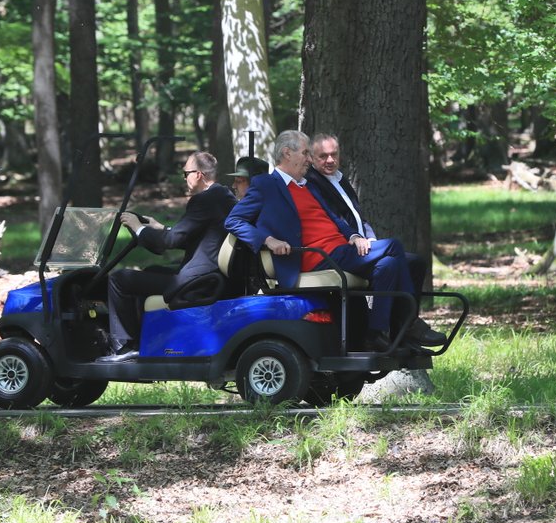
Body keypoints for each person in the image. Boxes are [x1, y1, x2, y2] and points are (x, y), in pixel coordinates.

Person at [224, 130, 433, 352]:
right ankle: (409, 324)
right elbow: (234, 220)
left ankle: (376, 334)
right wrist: (268, 240)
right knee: (393, 246)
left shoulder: (308, 184)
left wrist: (353, 236)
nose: (308, 159)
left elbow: (335, 219)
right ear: (287, 153)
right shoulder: (266, 185)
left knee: (388, 264)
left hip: (341, 251)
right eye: (305, 153)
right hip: (314, 255)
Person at [304, 133, 444, 346]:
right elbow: (333, 219)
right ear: (312, 159)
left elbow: (359, 217)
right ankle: (409, 324)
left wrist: (370, 237)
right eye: (323, 156)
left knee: (411, 263)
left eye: (334, 154)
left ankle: (387, 334)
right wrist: (354, 236)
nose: (330, 160)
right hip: (343, 249)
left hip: (362, 245)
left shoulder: (340, 179)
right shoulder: (312, 184)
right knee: (393, 249)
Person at [99, 152, 237, 362]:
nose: (184, 178)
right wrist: (161, 227)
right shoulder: (223, 196)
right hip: (211, 274)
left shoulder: (203, 200)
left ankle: (125, 346)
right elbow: (191, 235)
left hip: (199, 282)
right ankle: (146, 342)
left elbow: (169, 242)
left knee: (119, 280)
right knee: (151, 272)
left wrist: (138, 229)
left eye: (186, 173)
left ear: (198, 175)